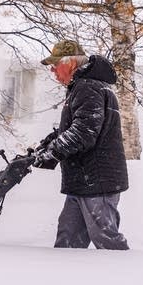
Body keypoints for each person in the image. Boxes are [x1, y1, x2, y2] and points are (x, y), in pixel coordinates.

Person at [34, 39, 129, 250]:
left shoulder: (88, 87)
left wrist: (52, 153)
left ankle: (126, 278)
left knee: (107, 242)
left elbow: (84, 133)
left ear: (70, 63)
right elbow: (77, 126)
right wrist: (46, 144)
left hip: (96, 183)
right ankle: (68, 282)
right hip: (83, 183)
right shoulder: (84, 87)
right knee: (68, 242)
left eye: (54, 65)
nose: (52, 71)